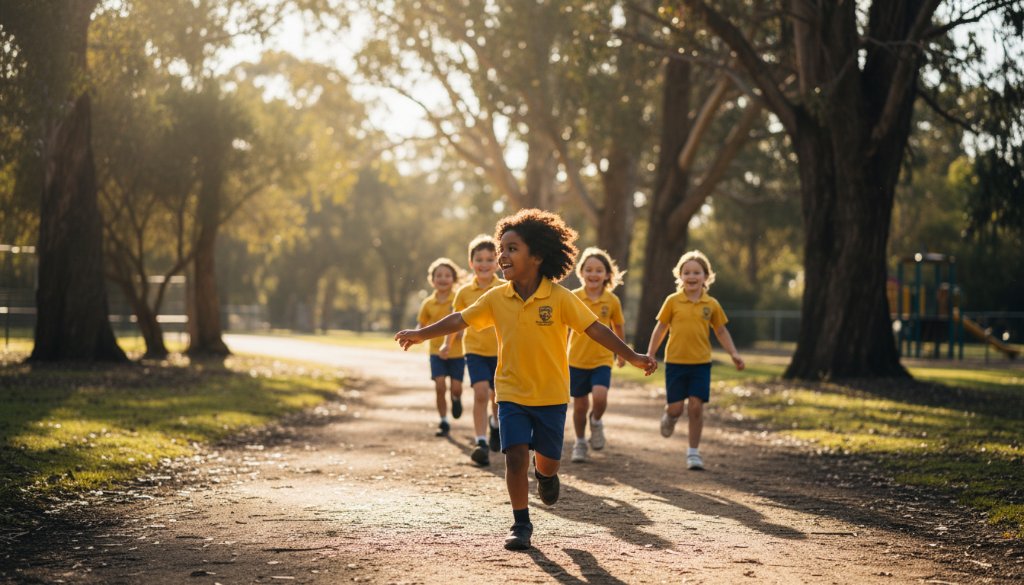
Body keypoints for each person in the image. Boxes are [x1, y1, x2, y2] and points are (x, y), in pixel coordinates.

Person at [396, 209, 656, 551]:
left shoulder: (561, 298)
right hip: (511, 393)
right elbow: (460, 319)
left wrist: (633, 356)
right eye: (501, 248)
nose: (502, 255)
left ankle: (546, 475)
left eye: (512, 249)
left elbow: (595, 329)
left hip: (550, 395)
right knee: (514, 457)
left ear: (537, 256)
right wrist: (420, 334)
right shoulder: (496, 297)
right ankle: (521, 522)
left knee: (546, 461)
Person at [645, 250, 745, 471]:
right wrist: (650, 354)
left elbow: (721, 331)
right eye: (687, 272)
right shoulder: (672, 301)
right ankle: (670, 417)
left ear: (706, 277)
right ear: (679, 276)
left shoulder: (711, 304)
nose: (691, 276)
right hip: (675, 363)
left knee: (696, 407)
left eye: (696, 272)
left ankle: (693, 453)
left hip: (700, 364)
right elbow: (660, 328)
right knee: (677, 407)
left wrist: (734, 354)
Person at [447, 234, 503, 467]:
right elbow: (455, 321)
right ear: (471, 263)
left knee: (497, 398)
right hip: (475, 350)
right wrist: (446, 344)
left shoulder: (505, 288)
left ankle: (495, 425)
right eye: (479, 259)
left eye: (490, 259)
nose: (484, 263)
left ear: (498, 262)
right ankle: (480, 442)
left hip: (502, 351)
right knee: (481, 393)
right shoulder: (464, 293)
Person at [567, 247, 626, 463]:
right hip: (576, 359)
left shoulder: (612, 301)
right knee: (580, 405)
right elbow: (562, 329)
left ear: (608, 275)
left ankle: (597, 420)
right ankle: (580, 442)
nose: (593, 274)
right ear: (581, 272)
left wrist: (622, 354)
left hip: (602, 359)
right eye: (589, 269)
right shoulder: (573, 297)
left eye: (599, 270)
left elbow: (618, 327)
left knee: (600, 398)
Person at [418, 257, 466, 437]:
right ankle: (444, 421)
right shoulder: (428, 303)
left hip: (457, 353)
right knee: (439, 386)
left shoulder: (458, 300)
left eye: (447, 275)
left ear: (453, 279)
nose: (443, 279)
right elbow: (421, 325)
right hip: (435, 352)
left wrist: (461, 332)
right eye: (439, 275)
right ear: (432, 279)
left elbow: (466, 321)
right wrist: (415, 335)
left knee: (455, 387)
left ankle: (456, 398)